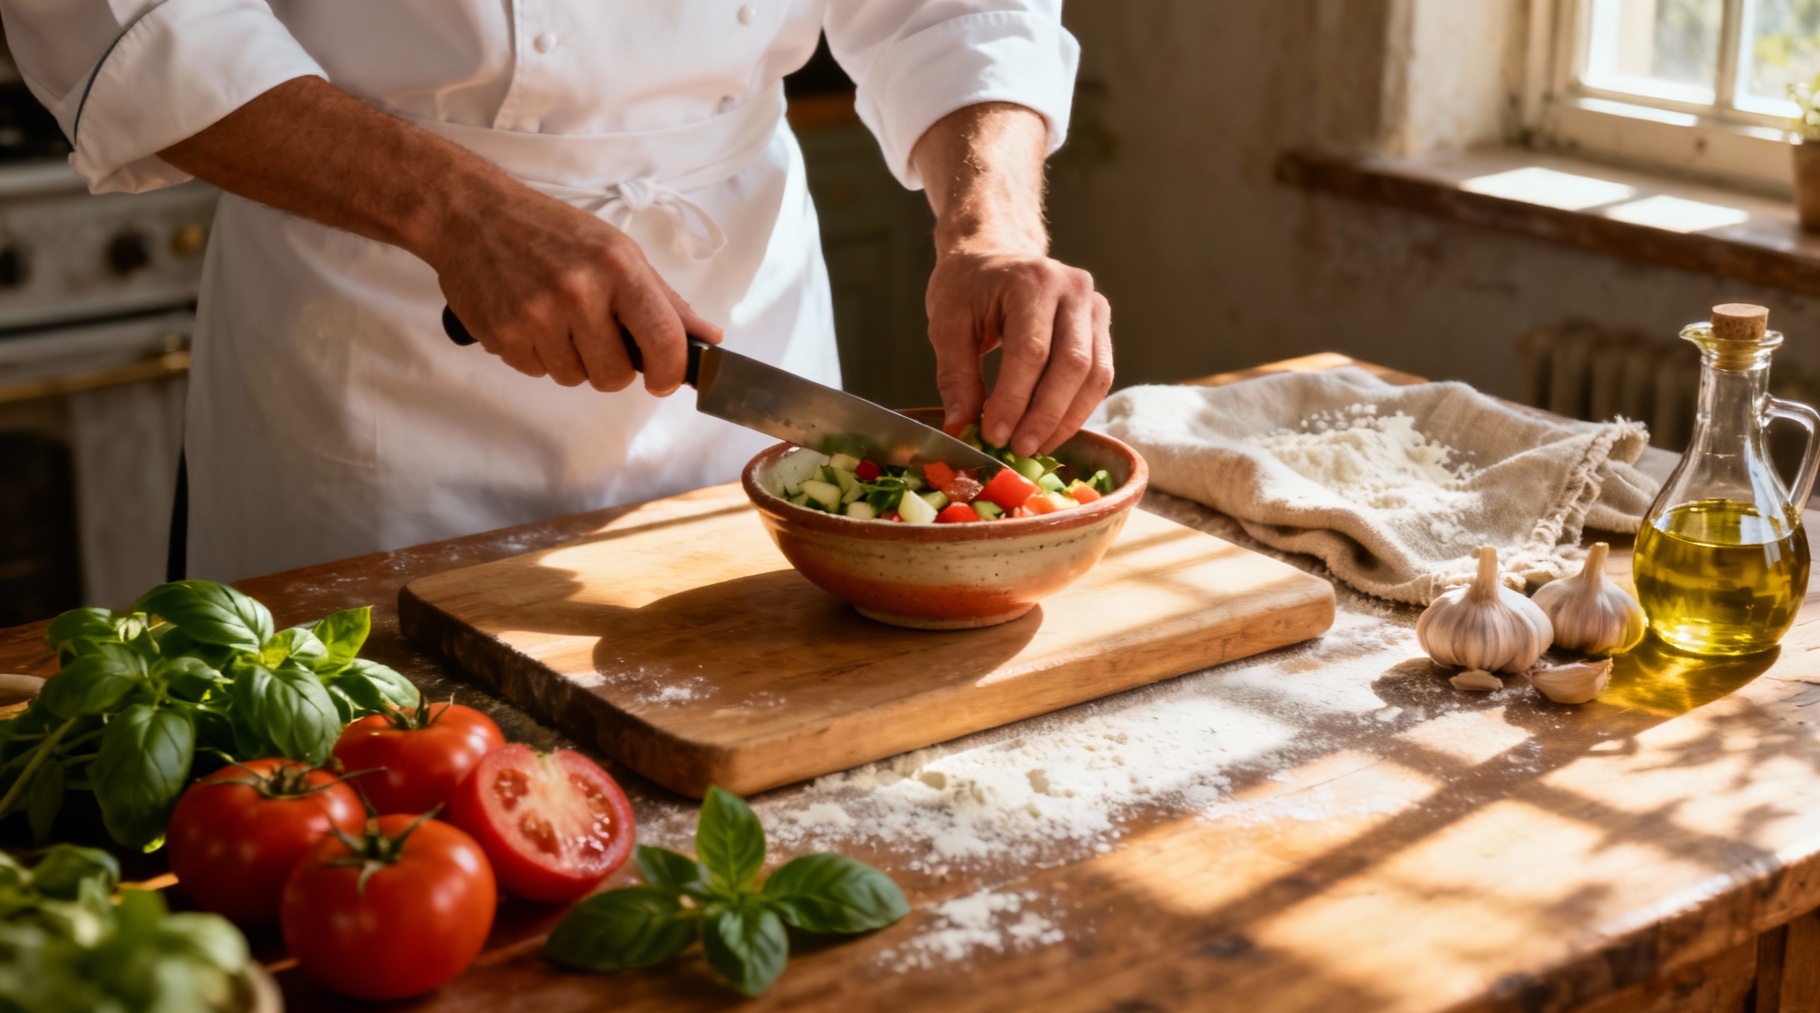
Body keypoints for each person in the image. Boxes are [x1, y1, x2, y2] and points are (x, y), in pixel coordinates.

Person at [1, 1, 1113, 582]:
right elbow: (133, 17)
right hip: (375, 339)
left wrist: (991, 225)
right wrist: (453, 213)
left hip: (736, 297)